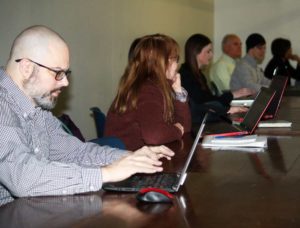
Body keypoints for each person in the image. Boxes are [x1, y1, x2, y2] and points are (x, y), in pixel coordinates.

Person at [0, 25, 174, 198]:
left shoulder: (38, 110)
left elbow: (76, 152)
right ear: (26, 68)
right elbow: (24, 178)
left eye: (66, 73)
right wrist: (107, 173)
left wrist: (130, 157)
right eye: (58, 73)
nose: (65, 83)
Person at [104, 34, 191, 151]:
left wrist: (178, 92)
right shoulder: (147, 90)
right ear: (163, 62)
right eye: (175, 59)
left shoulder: (156, 86)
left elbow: (185, 127)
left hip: (137, 156)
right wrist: (177, 130)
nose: (177, 64)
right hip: (126, 161)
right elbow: (154, 136)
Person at [179, 33, 250, 124]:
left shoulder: (198, 74)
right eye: (208, 51)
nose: (211, 55)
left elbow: (209, 100)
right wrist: (228, 106)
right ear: (196, 52)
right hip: (197, 122)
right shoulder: (186, 76)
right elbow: (204, 103)